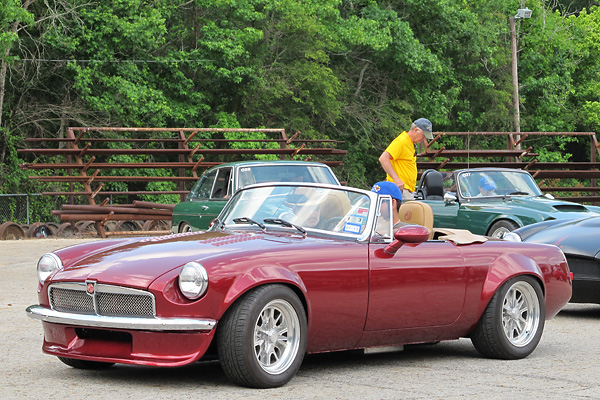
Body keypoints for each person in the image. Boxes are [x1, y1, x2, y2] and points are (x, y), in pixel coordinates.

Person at [379, 118, 433, 201]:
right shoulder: (402, 141)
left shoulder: (410, 143)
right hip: (400, 189)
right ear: (415, 130)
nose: (424, 139)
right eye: (423, 136)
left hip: (406, 190)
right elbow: (383, 158)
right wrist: (396, 179)